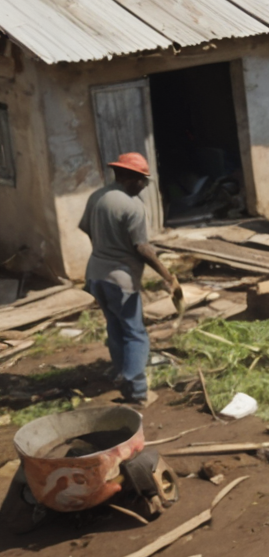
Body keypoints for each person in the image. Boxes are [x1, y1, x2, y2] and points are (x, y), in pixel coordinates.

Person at [80, 154, 181, 404]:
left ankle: (122, 376)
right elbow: (142, 248)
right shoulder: (132, 205)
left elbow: (86, 229)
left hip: (96, 275)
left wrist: (105, 249)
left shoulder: (98, 197)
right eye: (143, 181)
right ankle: (137, 392)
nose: (145, 186)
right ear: (130, 178)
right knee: (135, 334)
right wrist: (168, 276)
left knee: (115, 328)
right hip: (120, 281)